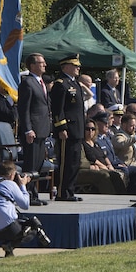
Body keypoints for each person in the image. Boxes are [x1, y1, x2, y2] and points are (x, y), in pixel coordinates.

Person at [0, 161, 51, 258]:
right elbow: (25, 205)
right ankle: (10, 246)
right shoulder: (10, 184)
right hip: (9, 230)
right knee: (33, 224)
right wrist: (23, 185)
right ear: (13, 174)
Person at [49, 54, 88, 202]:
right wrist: (61, 128)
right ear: (66, 66)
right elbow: (58, 109)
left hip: (77, 129)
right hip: (68, 130)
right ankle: (62, 192)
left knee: (75, 163)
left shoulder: (75, 83)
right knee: (67, 163)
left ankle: (69, 191)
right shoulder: (61, 84)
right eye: (75, 65)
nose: (78, 68)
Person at [17, 53, 52, 205]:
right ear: (32, 65)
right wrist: (27, 129)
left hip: (42, 129)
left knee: (38, 164)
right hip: (33, 130)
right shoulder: (27, 83)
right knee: (30, 164)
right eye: (41, 62)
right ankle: (27, 195)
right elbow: (24, 109)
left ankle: (34, 194)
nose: (44, 65)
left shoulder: (40, 82)